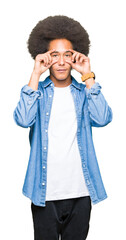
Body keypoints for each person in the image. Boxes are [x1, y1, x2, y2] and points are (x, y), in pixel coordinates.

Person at [13, 15, 113, 240]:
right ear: (45, 58)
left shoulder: (84, 93)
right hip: (44, 193)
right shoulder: (38, 93)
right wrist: (35, 74)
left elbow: (103, 118)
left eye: (66, 55)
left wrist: (88, 75)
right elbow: (23, 120)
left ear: (75, 56)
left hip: (81, 193)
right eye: (54, 55)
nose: (60, 62)